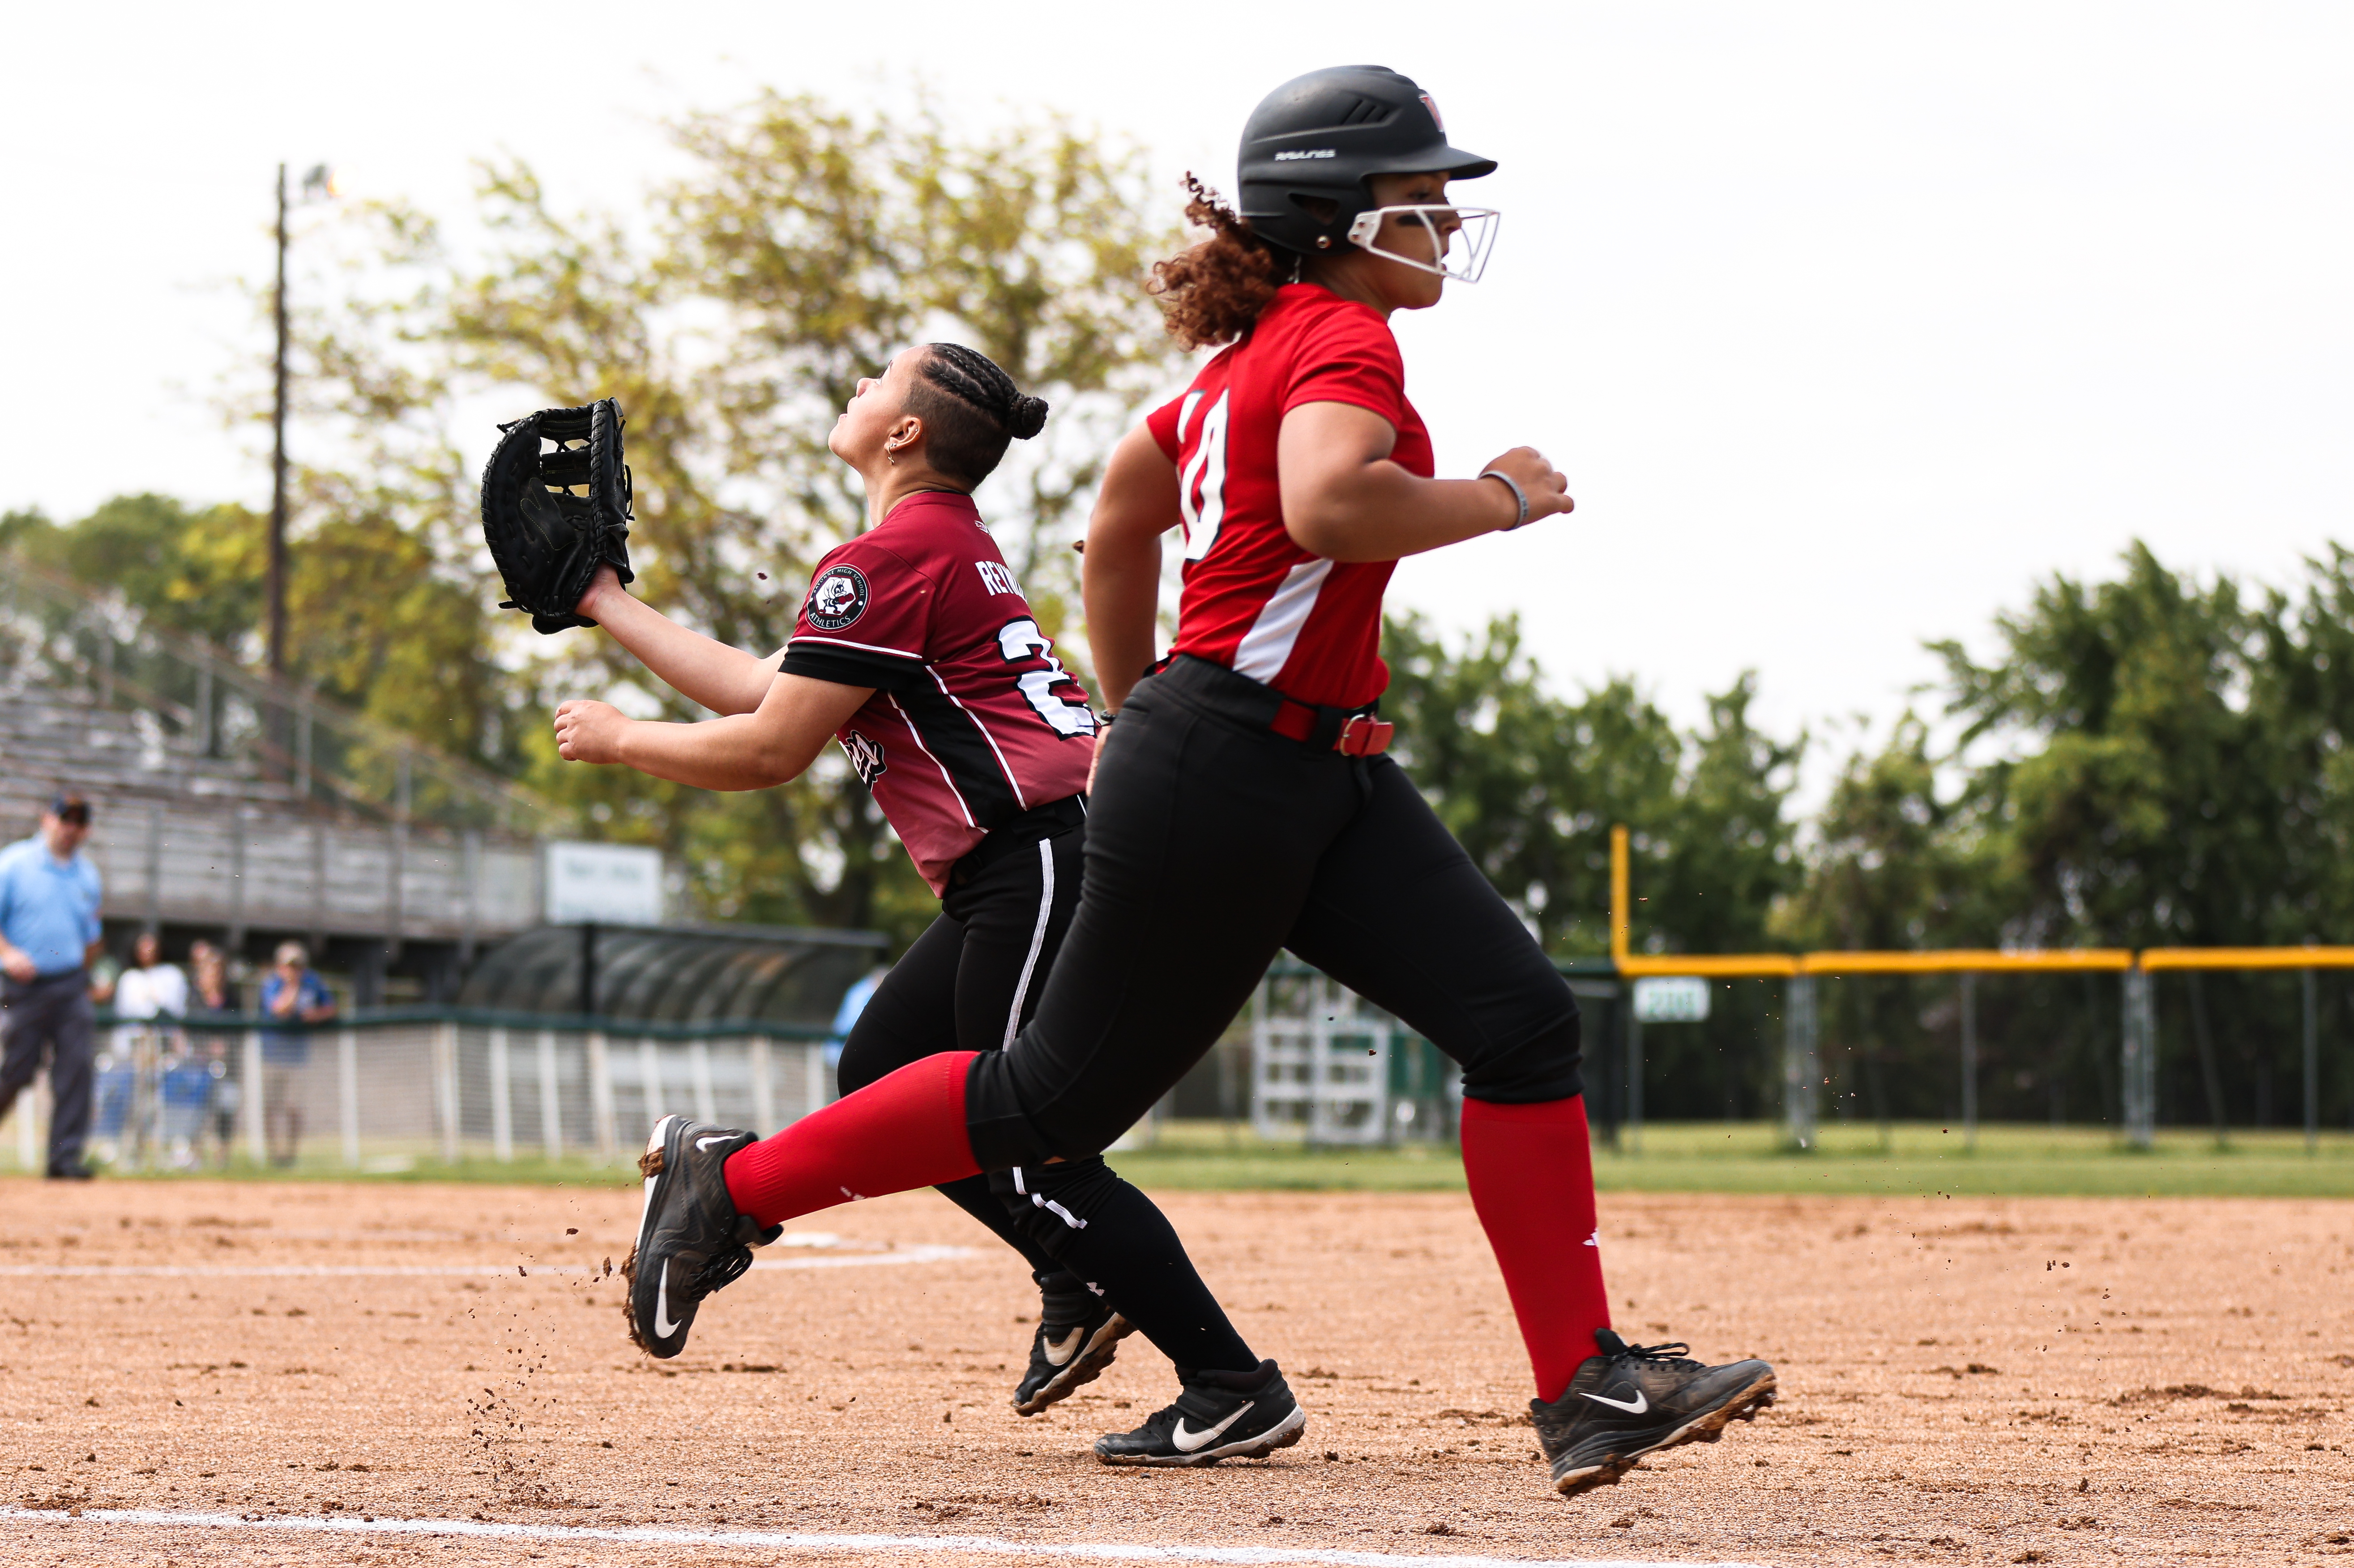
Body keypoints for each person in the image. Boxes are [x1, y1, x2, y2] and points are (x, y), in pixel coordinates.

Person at [604, 67, 1781, 1494]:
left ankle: (1585, 1387)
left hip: (1316, 765)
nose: (1439, 219)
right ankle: (727, 1188)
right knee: (1046, 1101)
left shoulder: (1240, 366)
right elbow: (1330, 504)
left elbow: (1117, 516)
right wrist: (1502, 497)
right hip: (1233, 761)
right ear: (1340, 214)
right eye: (1418, 198)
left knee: (1519, 1024)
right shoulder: (1339, 339)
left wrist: (1128, 697)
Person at [554, 341, 1295, 1451]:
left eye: (878, 380)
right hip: (1030, 861)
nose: (858, 386)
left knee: (1025, 1138)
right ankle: (1076, 1271)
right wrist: (606, 603)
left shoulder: (894, 554)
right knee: (885, 1077)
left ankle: (1229, 1379)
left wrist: (620, 740)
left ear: (905, 433)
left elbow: (768, 747)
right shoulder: (930, 547)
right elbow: (771, 686)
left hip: (1042, 856)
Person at [0, 793, 106, 1179]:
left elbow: (93, 936)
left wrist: (87, 973)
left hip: (69, 985)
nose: (70, 829)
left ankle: (63, 1160)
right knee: (16, 1070)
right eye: (65, 819)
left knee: (77, 1070)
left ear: (87, 830)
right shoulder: (13, 864)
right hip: (23, 988)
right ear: (46, 819)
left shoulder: (88, 876)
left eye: (79, 822)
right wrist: (8, 954)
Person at [257, 941, 334, 1167]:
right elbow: (279, 1009)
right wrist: (292, 986)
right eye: (290, 965)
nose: (294, 970)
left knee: (294, 1107)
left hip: (297, 1057)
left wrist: (316, 1015)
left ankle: (290, 1157)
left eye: (298, 965)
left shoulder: (313, 982)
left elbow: (330, 1007)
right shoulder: (272, 984)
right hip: (272, 1055)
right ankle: (273, 1157)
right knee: (271, 1107)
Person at [185, 942, 244, 1169]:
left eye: (218, 970)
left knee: (225, 1111)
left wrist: (225, 1045)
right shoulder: (195, 997)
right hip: (200, 1065)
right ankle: (194, 1157)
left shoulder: (232, 997)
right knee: (197, 1111)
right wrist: (207, 1045)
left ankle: (222, 1159)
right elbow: (189, 1028)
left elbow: (240, 1028)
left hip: (228, 1065)